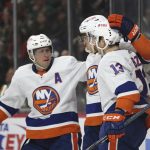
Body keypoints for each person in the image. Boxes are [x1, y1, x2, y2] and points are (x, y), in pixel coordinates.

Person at [0, 34, 86, 150]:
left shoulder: (66, 65)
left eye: (47, 50)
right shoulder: (22, 74)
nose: (45, 54)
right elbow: (9, 104)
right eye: (41, 51)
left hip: (65, 133)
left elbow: (91, 70)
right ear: (32, 55)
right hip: (36, 136)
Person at [85, 15, 150, 150]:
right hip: (139, 119)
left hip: (126, 118)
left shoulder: (109, 59)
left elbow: (129, 92)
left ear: (103, 39)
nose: (89, 41)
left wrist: (118, 114)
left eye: (92, 37)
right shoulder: (129, 53)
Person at [79, 15, 105, 150]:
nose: (84, 42)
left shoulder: (111, 54)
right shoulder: (90, 58)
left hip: (108, 117)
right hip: (91, 120)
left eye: (85, 38)